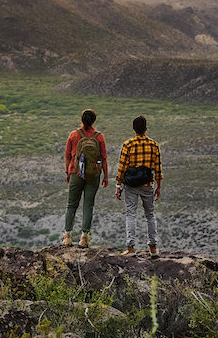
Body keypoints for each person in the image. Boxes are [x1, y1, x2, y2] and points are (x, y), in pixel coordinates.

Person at [115, 115, 162, 257]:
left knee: (131, 214)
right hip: (147, 184)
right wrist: (158, 186)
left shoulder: (127, 144)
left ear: (133, 129)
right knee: (150, 215)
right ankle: (153, 248)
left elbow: (122, 167)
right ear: (146, 128)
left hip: (131, 185)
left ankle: (130, 248)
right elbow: (157, 168)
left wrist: (118, 185)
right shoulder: (154, 145)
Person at [62, 108, 107, 247]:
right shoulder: (99, 137)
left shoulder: (74, 135)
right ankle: (84, 238)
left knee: (71, 205)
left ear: (81, 119)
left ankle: (67, 236)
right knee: (88, 205)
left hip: (76, 172)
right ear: (93, 121)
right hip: (93, 174)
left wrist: (68, 172)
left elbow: (68, 156)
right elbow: (103, 158)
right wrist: (105, 175)